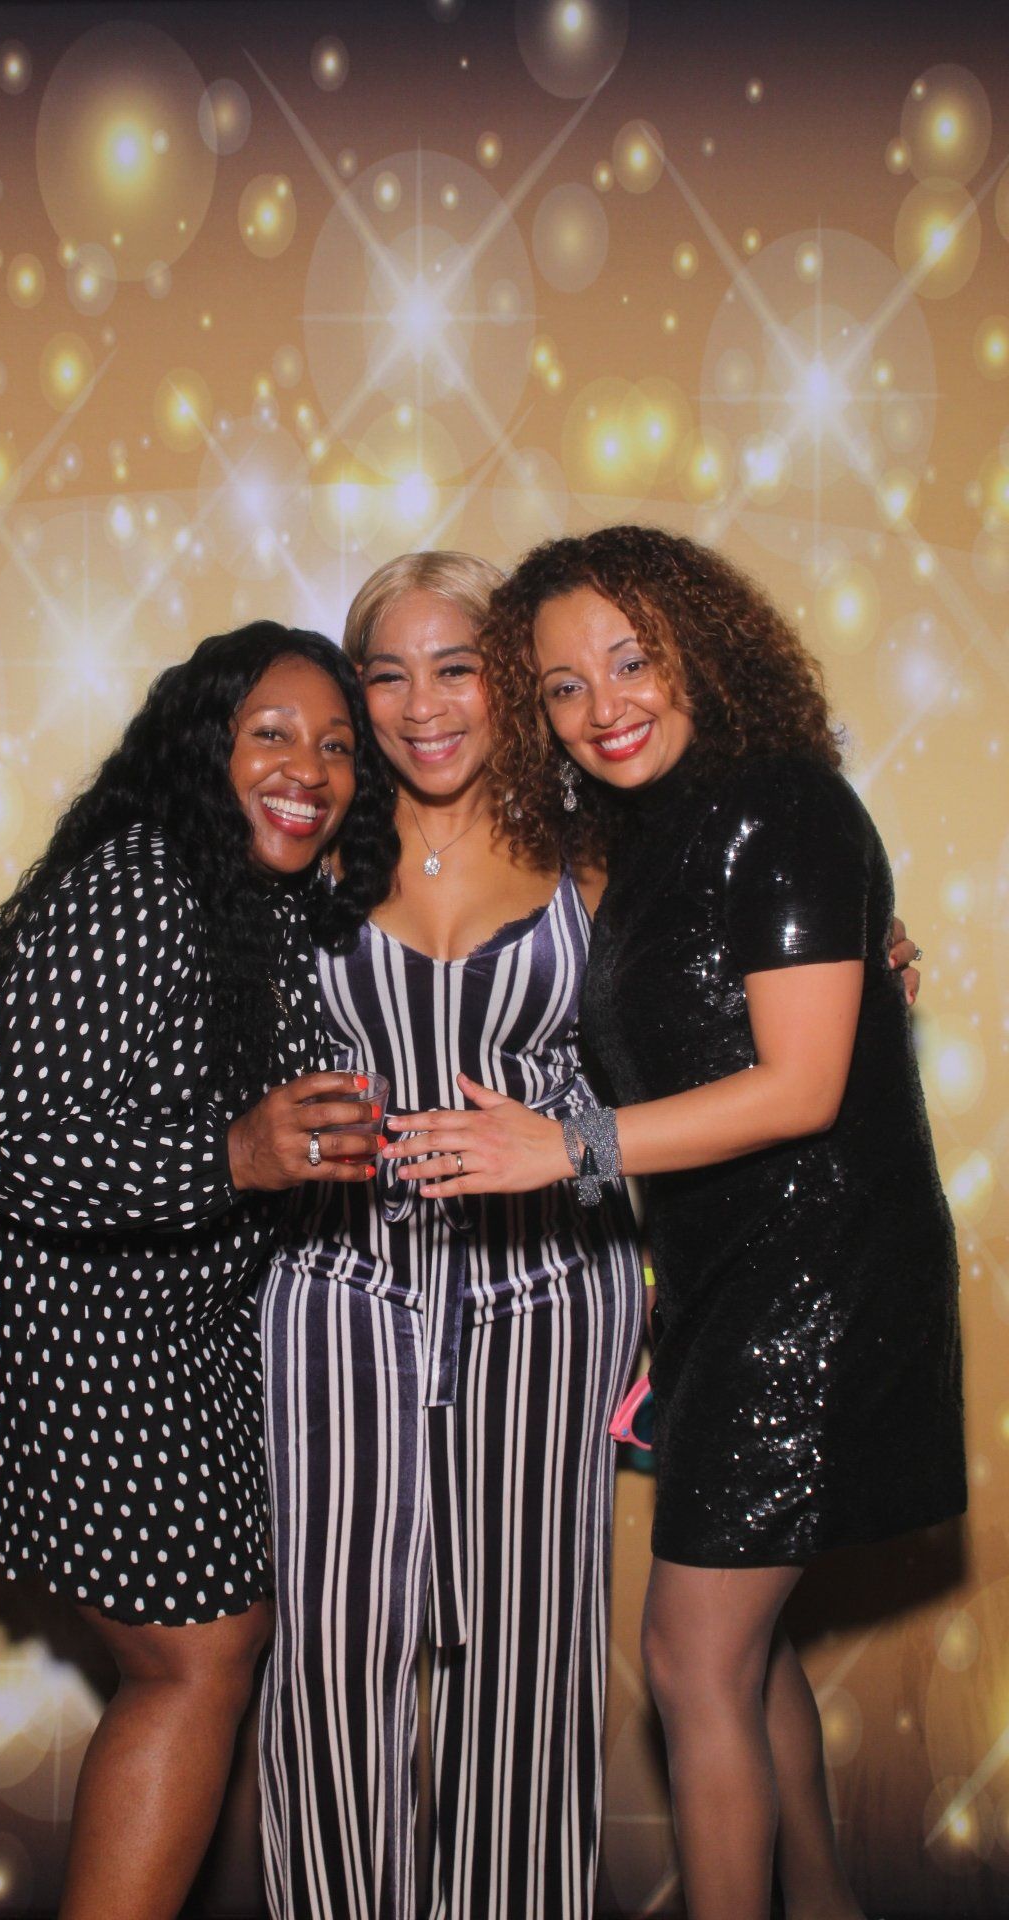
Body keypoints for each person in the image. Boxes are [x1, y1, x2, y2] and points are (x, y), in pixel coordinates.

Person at [385, 527, 963, 1920]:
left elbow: (802, 1088)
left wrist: (567, 1147)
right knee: (744, 1656)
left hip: (817, 1279)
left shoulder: (784, 803)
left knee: (692, 1658)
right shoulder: (636, 844)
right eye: (563, 686)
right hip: (718, 1284)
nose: (604, 705)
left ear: (703, 648)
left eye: (631, 660)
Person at [0, 623, 398, 1920]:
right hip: (56, 1303)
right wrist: (233, 1156)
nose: (309, 769)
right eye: (271, 735)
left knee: (222, 1641)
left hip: (175, 1308)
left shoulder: (264, 896)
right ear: (202, 747)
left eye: (337, 747)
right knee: (200, 1655)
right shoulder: (140, 884)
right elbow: (6, 1147)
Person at [257, 553, 646, 1920]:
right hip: (338, 1293)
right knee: (331, 1658)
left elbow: (741, 971)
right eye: (387, 674)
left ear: (508, 678)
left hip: (549, 1294)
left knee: (531, 1665)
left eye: (457, 667)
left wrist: (864, 940)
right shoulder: (305, 842)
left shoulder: (595, 842)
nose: (422, 706)